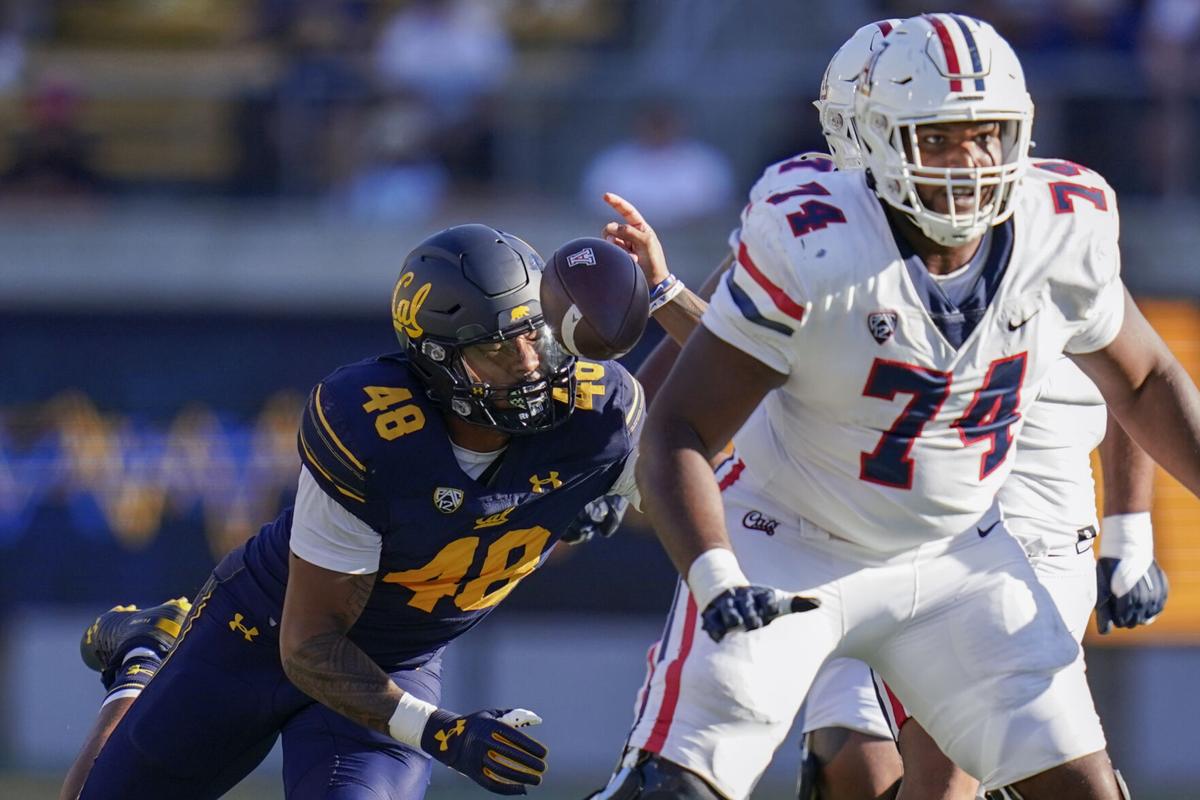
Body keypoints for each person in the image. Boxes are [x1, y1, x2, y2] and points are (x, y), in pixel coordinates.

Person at [590, 14, 1200, 800]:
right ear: (868, 142)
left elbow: (1144, 382)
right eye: (939, 139)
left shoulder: (1061, 226)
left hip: (961, 554)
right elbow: (682, 424)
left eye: (987, 135)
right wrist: (714, 575)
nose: (970, 163)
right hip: (794, 541)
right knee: (683, 789)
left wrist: (1131, 531)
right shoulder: (813, 236)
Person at [60, 224, 647, 799]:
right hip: (262, 636)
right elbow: (310, 645)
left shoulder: (599, 416)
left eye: (535, 333)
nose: (527, 363)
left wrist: (682, 296)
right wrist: (437, 731)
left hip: (394, 663)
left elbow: (706, 447)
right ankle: (145, 656)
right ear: (440, 362)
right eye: (495, 348)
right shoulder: (372, 428)